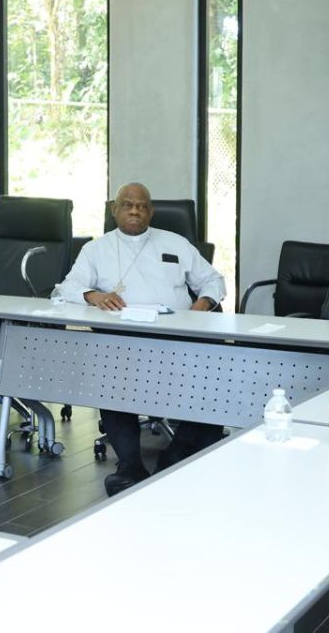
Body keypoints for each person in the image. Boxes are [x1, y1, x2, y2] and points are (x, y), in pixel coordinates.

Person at [57, 182, 227, 496]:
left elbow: (213, 280)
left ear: (151, 211)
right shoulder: (96, 249)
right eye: (127, 204)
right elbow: (67, 288)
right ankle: (130, 468)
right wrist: (94, 295)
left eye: (142, 206)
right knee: (111, 382)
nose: (135, 211)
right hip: (120, 341)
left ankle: (175, 458)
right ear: (114, 210)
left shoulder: (175, 242)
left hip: (178, 339)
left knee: (212, 384)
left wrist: (201, 306)